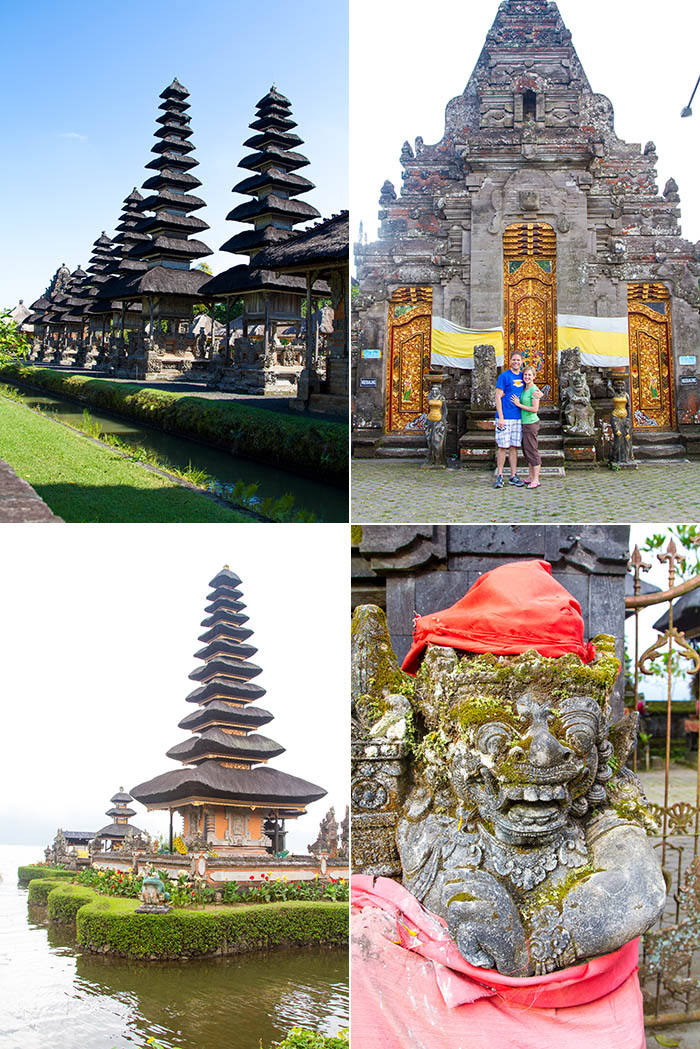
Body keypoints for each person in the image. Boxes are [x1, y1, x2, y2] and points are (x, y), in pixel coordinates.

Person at [493, 351, 525, 488]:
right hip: (504, 417)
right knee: (502, 447)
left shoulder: (524, 377)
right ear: (510, 361)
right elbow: (497, 396)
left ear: (522, 362)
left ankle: (513, 475)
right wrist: (500, 417)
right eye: (514, 360)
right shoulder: (504, 376)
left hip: (518, 417)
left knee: (513, 447)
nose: (516, 362)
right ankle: (499, 475)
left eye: (518, 360)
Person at [511, 364, 543, 489]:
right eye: (525, 375)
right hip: (524, 422)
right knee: (527, 450)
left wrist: (519, 405)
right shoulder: (525, 388)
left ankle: (536, 479)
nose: (527, 377)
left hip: (531, 423)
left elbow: (535, 409)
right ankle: (530, 477)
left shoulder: (534, 390)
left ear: (534, 376)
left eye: (530, 375)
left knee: (532, 450)